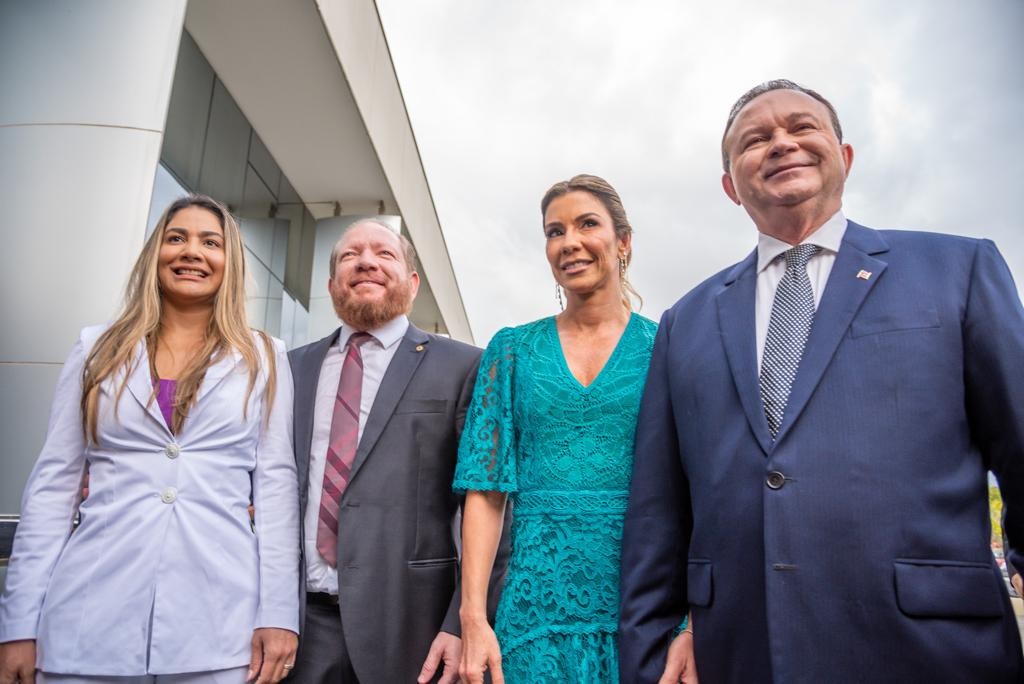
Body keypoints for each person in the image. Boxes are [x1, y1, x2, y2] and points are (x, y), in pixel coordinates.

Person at [618, 79, 1024, 683]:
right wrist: (653, 647)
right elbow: (659, 504)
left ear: (845, 156)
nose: (781, 143)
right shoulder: (687, 320)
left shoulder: (958, 269)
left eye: (802, 128)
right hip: (741, 649)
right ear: (731, 186)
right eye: (755, 140)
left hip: (932, 646)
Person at [0, 195, 299, 684]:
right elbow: (52, 487)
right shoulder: (96, 347)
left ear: (231, 263)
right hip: (88, 618)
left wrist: (279, 613)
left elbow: (276, 490)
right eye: (175, 238)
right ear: (154, 252)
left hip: (220, 622)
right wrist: (16, 624)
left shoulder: (265, 356)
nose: (191, 252)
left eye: (210, 242)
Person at [287, 219, 507, 684]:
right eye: (350, 255)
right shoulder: (290, 368)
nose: (366, 261)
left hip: (416, 630)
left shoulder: (466, 366)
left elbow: (493, 508)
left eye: (384, 254)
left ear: (412, 283)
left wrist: (459, 623)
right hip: (302, 628)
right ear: (331, 285)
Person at [457, 174, 658, 683]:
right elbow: (485, 489)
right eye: (554, 231)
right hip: (534, 608)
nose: (569, 242)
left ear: (624, 241)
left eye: (587, 224)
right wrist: (473, 617)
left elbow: (696, 484)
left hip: (641, 602)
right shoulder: (512, 350)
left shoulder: (668, 348)